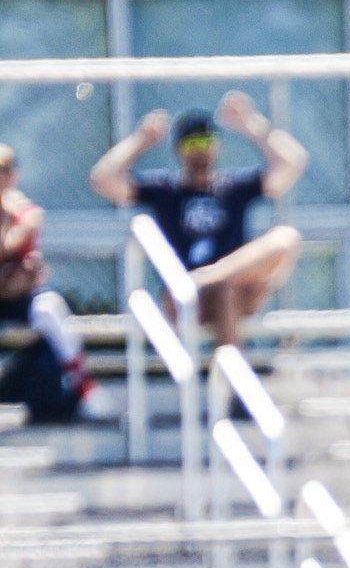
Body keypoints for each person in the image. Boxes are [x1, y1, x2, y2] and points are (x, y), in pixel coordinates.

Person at [90, 92, 307, 350]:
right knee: (226, 290)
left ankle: (209, 277)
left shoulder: (234, 187)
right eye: (191, 143)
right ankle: (231, 372)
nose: (200, 150)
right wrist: (140, 140)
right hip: (187, 300)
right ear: (178, 150)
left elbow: (293, 163)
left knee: (285, 238)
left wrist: (250, 123)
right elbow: (102, 180)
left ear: (217, 146)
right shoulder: (165, 190)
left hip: (222, 286)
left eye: (206, 141)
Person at [0, 145, 98, 420]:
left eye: (3, 170)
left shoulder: (28, 212)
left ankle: (84, 387)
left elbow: (16, 243)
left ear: (13, 175)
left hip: (17, 299)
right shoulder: (14, 212)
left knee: (49, 305)